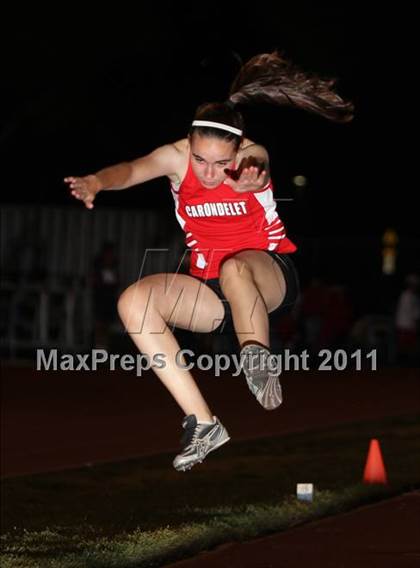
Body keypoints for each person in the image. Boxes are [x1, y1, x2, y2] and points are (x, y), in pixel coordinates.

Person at [64, 51, 353, 471]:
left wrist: (253, 177)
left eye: (221, 163)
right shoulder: (175, 158)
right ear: (190, 143)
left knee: (235, 267)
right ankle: (203, 423)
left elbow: (260, 165)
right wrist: (97, 182)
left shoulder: (252, 155)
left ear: (237, 148)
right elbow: (129, 170)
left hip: (267, 275)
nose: (210, 172)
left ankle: (257, 355)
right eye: (200, 160)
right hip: (212, 288)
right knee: (134, 303)